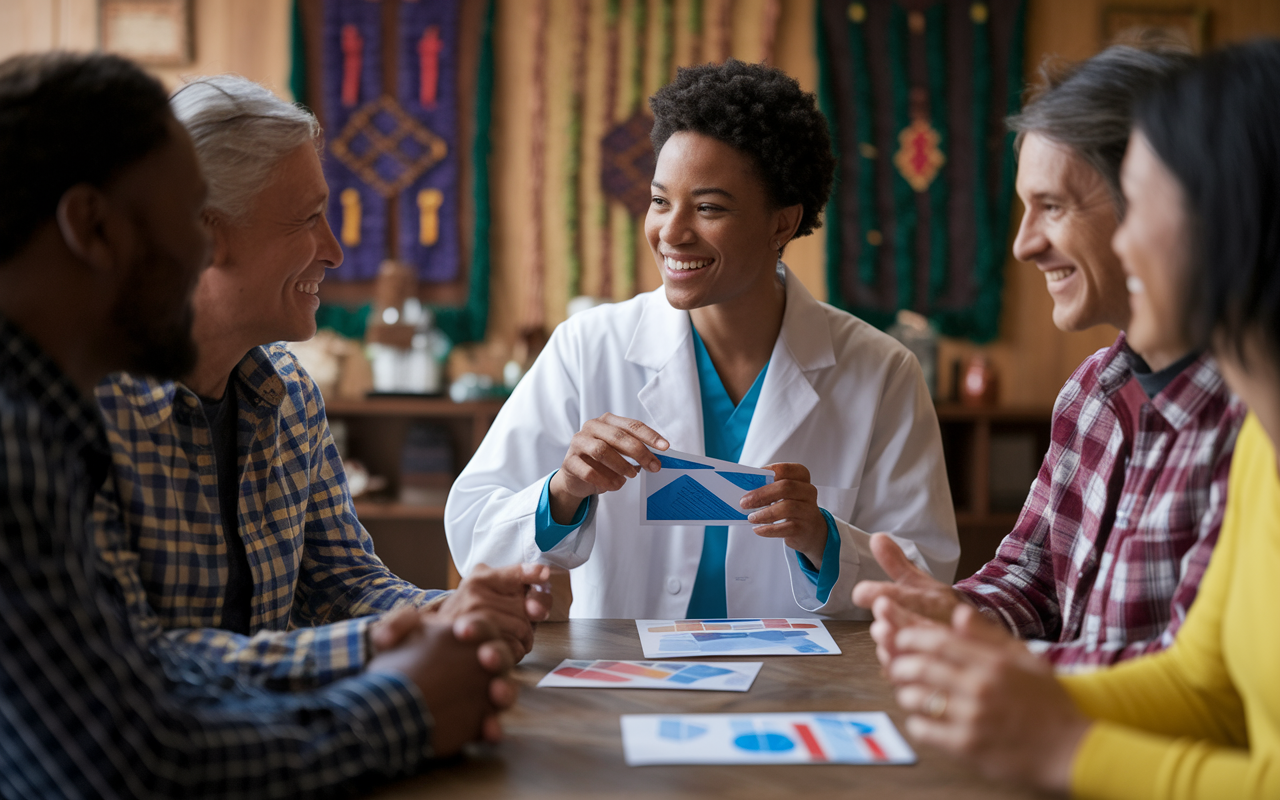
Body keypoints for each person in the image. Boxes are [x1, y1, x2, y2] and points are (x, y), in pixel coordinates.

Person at [0, 52, 518, 797]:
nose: (197, 256)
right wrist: (401, 698)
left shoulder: (46, 416)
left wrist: (442, 622)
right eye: (186, 222)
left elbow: (141, 692)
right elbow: (137, 756)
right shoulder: (24, 438)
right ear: (92, 228)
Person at [874, 39, 1280, 797]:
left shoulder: (1247, 419)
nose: (1025, 244)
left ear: (1225, 215)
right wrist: (961, 628)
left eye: (1053, 205)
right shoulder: (1106, 393)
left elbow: (1202, 704)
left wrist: (1040, 720)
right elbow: (1199, 679)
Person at [446, 59, 958, 619]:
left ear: (782, 224)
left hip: (799, 688)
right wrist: (563, 493)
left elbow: (922, 575)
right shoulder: (587, 347)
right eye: (661, 200)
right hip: (632, 677)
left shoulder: (882, 371)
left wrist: (822, 538)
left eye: (708, 207)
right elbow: (476, 536)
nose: (671, 231)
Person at [91, 74, 550, 695]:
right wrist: (397, 638)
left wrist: (452, 614)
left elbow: (344, 583)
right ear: (204, 233)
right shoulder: (87, 412)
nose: (334, 251)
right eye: (309, 219)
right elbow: (138, 662)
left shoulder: (289, 393)